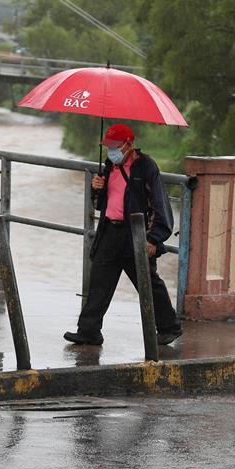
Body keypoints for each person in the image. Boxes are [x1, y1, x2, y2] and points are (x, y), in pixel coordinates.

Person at [64, 123, 183, 346]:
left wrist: (153, 238)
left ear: (129, 144)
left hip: (135, 234)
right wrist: (97, 188)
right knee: (99, 282)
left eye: (114, 146)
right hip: (109, 231)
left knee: (147, 282)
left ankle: (169, 327)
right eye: (108, 146)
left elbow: (160, 205)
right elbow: (102, 204)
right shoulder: (110, 166)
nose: (111, 151)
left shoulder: (146, 167)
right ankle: (89, 331)